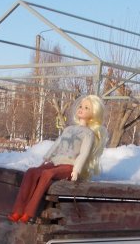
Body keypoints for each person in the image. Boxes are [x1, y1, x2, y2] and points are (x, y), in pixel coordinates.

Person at [9, 94, 107, 223]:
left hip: (69, 166)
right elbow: (56, 144)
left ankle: (29, 212)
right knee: (31, 171)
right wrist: (47, 157)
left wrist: (76, 170)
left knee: (47, 174)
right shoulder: (69, 129)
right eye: (81, 106)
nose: (81, 109)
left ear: (94, 113)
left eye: (86, 108)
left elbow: (84, 153)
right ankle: (18, 210)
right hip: (56, 162)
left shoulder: (89, 134)